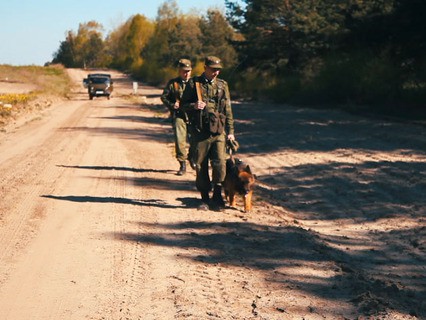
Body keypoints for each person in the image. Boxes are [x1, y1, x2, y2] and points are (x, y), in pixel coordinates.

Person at [182, 56, 235, 210]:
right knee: (200, 165)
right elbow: (183, 106)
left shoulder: (222, 85)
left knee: (220, 163)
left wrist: (230, 131)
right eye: (213, 69)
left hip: (218, 132)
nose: (216, 72)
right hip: (200, 132)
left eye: (218, 69)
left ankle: (217, 196)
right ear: (205, 68)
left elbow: (228, 110)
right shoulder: (194, 84)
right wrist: (193, 105)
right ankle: (204, 198)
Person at [161, 58, 193, 175]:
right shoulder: (173, 83)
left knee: (195, 140)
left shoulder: (196, 83)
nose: (186, 73)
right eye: (184, 71)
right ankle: (182, 164)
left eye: (188, 71)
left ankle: (192, 157)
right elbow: (164, 97)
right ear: (179, 71)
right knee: (180, 140)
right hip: (179, 115)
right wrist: (172, 105)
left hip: (193, 116)